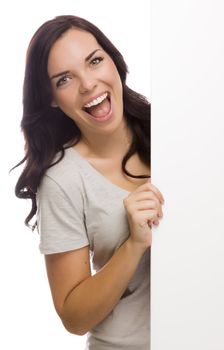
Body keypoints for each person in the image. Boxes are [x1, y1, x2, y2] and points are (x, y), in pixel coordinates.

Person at [14, 15, 164, 350]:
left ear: (113, 61)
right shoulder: (62, 178)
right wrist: (133, 244)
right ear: (51, 98)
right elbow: (74, 318)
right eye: (64, 79)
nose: (88, 84)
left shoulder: (174, 128)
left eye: (94, 61)